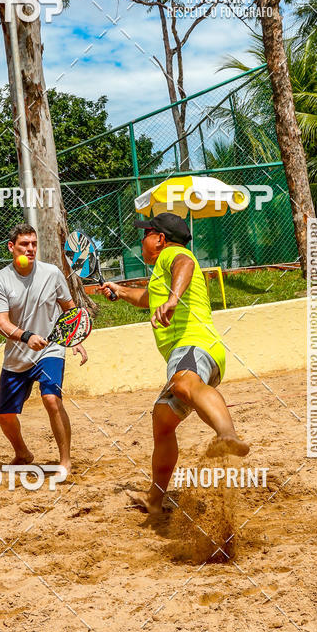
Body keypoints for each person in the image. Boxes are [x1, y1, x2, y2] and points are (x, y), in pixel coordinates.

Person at [98, 212, 249, 515]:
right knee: (162, 420)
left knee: (183, 384)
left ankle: (228, 434)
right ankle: (155, 500)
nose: (141, 240)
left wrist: (173, 299)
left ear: (160, 239)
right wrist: (121, 290)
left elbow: (186, 264)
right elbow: (147, 299)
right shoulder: (161, 274)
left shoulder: (174, 255)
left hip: (194, 344)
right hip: (192, 352)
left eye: (146, 234)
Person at [0, 223, 87, 476]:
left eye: (34, 244)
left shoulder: (52, 273)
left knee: (52, 399)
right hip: (18, 355)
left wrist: (75, 337)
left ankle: (64, 461)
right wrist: (26, 337)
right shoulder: (0, 280)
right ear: (12, 247)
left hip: (49, 350)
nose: (31, 249)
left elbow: (68, 307)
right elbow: (1, 322)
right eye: (24, 244)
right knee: (4, 416)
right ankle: (22, 453)